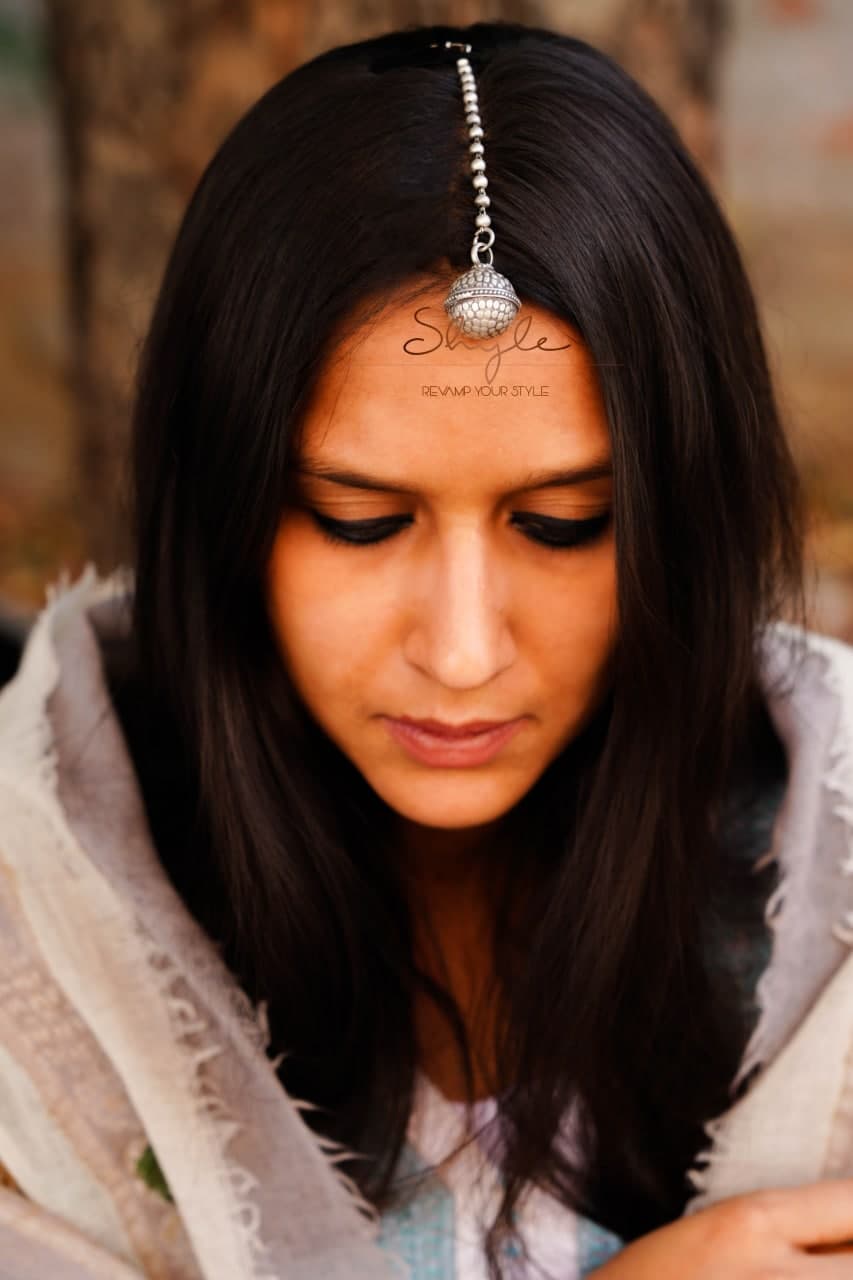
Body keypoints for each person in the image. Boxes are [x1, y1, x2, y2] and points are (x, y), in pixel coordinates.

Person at [1, 18, 852, 1280]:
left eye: (564, 524)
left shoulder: (827, 882)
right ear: (221, 507)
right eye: (359, 521)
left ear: (684, 520)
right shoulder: (38, 920)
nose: (460, 653)